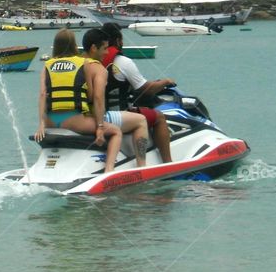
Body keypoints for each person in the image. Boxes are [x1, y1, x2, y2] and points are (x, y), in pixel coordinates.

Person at [35, 28, 124, 169]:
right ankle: (109, 171)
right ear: (74, 45)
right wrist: (100, 126)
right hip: (74, 121)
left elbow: (42, 94)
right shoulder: (83, 64)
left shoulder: (47, 65)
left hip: (50, 121)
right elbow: (92, 95)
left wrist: (41, 124)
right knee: (116, 131)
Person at [101, 22, 173, 163]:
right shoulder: (123, 62)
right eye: (121, 39)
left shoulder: (93, 60)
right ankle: (168, 162)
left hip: (98, 115)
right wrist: (165, 82)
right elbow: (146, 89)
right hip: (118, 115)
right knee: (159, 117)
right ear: (117, 40)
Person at [79, 28, 150, 170]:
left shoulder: (75, 63)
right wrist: (100, 126)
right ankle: (142, 167)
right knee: (141, 120)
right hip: (94, 117)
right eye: (104, 48)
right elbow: (97, 98)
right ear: (93, 48)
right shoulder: (97, 68)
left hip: (73, 117)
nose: (106, 53)